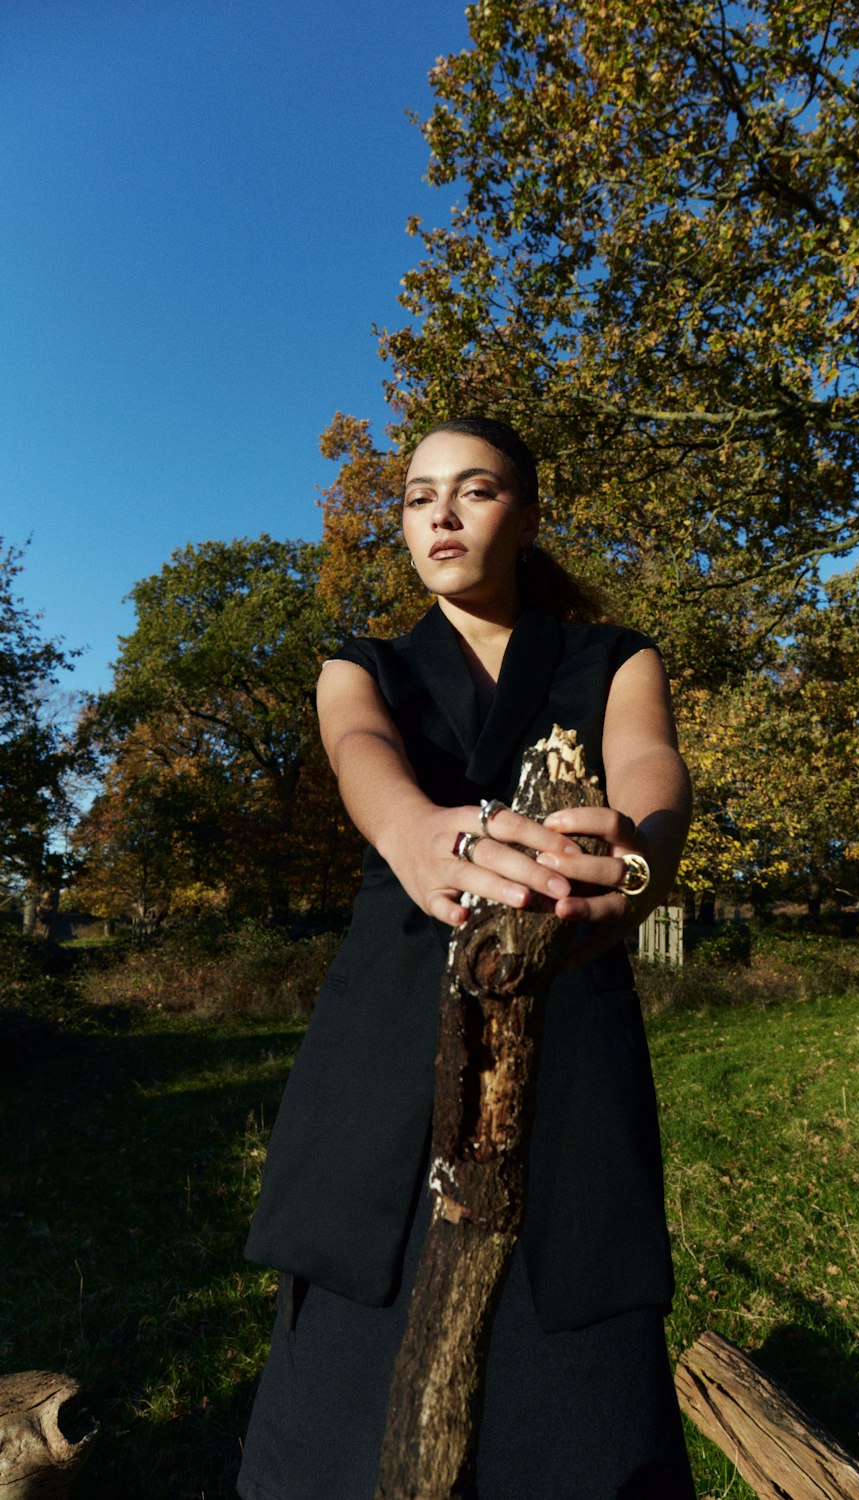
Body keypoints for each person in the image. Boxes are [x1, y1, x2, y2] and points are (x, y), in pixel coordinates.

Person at [238, 417, 695, 1500]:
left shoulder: (613, 656)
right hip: (382, 1038)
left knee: (575, 1392)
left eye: (475, 489)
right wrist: (414, 834)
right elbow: (362, 758)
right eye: (415, 496)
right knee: (348, 1398)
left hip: (567, 1017)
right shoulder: (362, 664)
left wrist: (632, 866)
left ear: (527, 518)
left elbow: (651, 770)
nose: (439, 512)